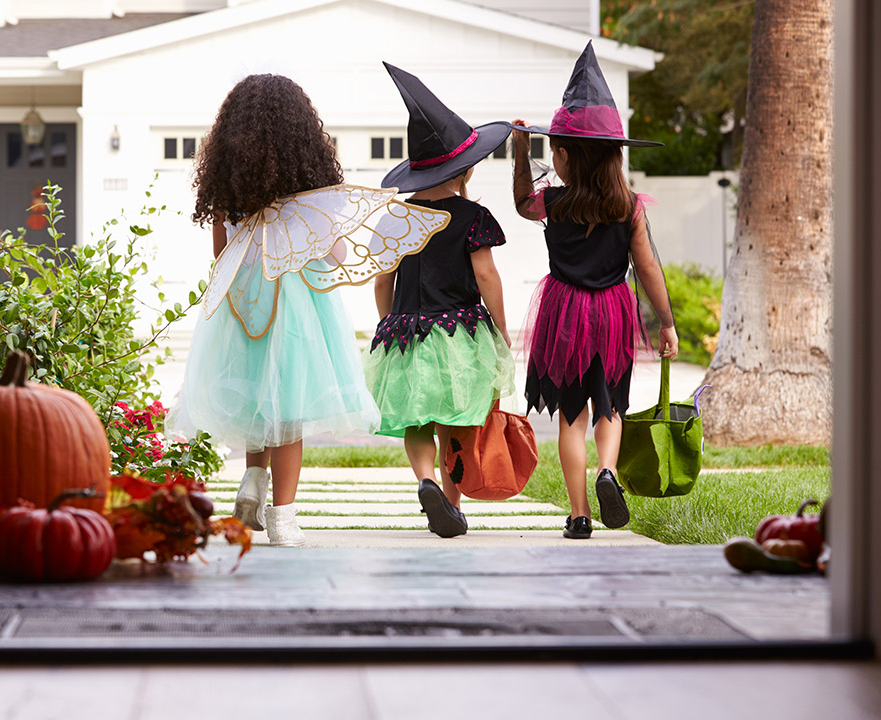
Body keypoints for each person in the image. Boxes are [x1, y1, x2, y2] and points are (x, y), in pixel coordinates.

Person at [168, 74, 449, 546]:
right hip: (297, 308)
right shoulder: (310, 197)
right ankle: (284, 518)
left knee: (257, 394)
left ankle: (252, 481)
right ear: (303, 138)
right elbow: (336, 255)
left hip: (242, 305)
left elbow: (220, 258)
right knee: (289, 407)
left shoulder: (229, 196)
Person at [510, 42, 678, 539]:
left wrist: (521, 150)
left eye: (554, 151)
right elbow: (646, 267)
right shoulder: (629, 205)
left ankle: (579, 513)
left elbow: (522, 202)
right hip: (612, 311)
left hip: (564, 313)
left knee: (570, 416)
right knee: (610, 406)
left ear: (561, 156)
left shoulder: (554, 203)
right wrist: (666, 322)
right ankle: (608, 470)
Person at [363, 63, 516, 539]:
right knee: (455, 418)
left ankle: (426, 481)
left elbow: (380, 281)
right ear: (465, 169)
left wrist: (390, 323)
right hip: (460, 333)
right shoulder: (473, 216)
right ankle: (450, 502)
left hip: (407, 331)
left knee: (415, 418)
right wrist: (501, 329)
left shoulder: (396, 220)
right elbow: (486, 275)